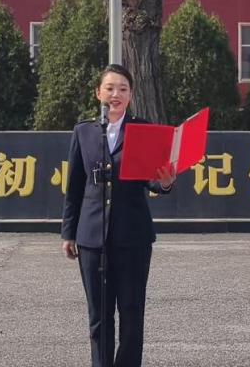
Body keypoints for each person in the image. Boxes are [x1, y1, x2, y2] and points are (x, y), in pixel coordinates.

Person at [61, 63, 177, 367]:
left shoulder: (143, 129)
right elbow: (74, 186)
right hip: (91, 238)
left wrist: (165, 182)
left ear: (131, 95)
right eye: (110, 88)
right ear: (98, 93)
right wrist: (68, 233)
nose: (116, 94)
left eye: (123, 89)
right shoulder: (84, 131)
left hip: (133, 237)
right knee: (99, 316)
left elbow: (152, 178)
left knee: (131, 312)